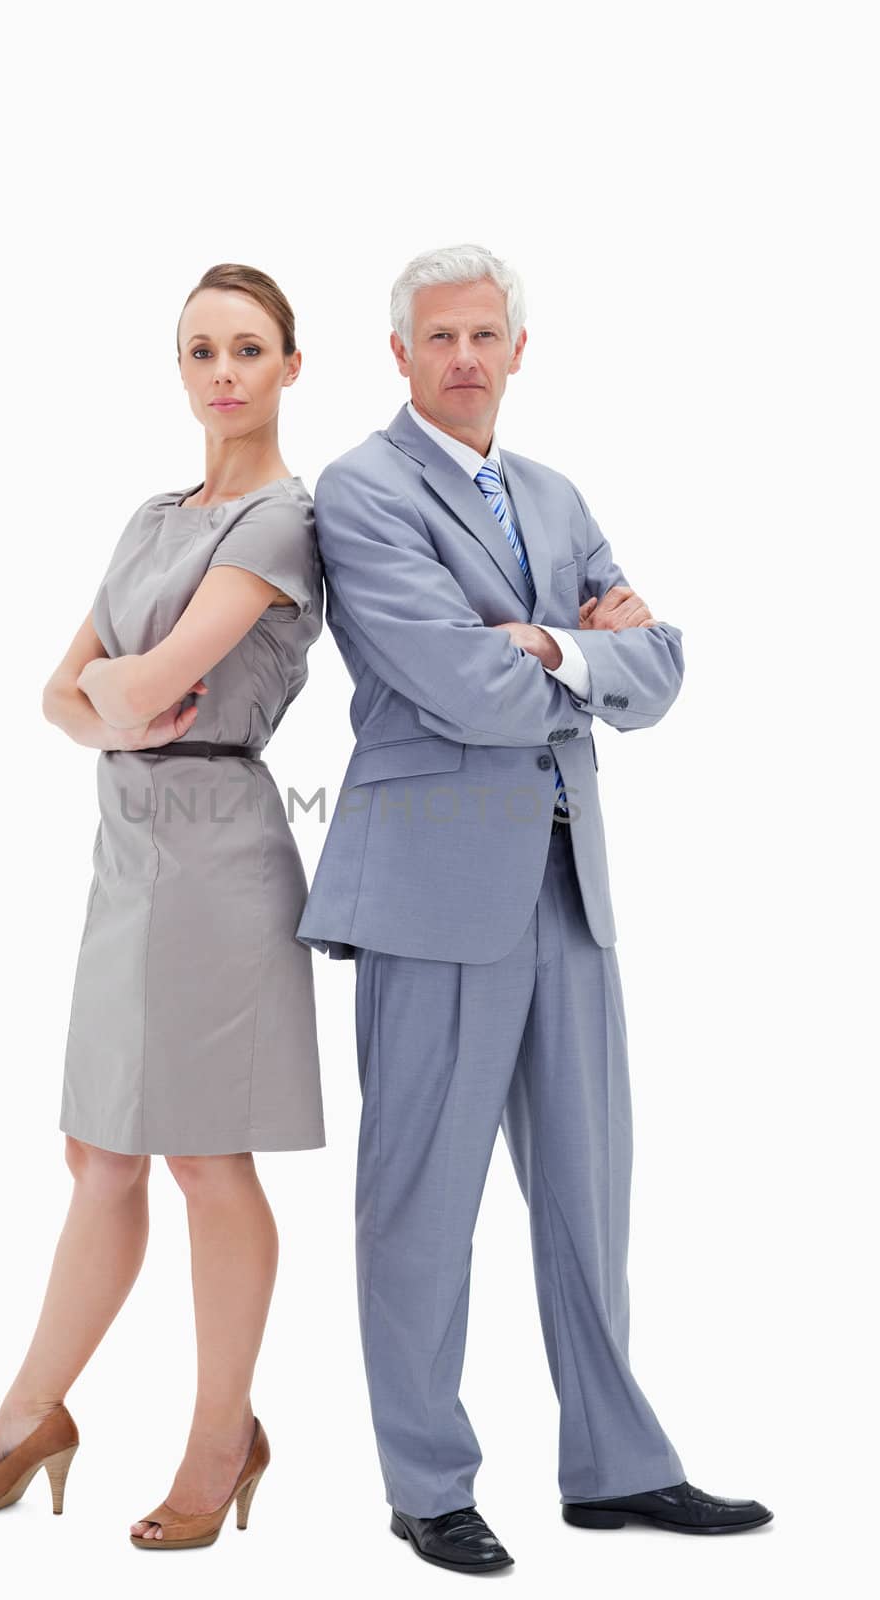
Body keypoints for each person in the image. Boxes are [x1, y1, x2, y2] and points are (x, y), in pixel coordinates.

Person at [295, 243, 771, 1573]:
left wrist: (555, 643)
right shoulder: (362, 489)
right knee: (419, 1209)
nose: (462, 356)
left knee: (588, 1197)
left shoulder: (554, 495)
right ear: (399, 354)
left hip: (569, 886)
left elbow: (666, 667)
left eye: (483, 335)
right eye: (437, 336)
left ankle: (619, 1468)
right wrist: (583, 652)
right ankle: (426, 1483)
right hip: (435, 889)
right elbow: (459, 688)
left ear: (518, 349)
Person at [0, 263, 325, 1552]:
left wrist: (111, 696)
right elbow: (59, 693)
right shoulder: (154, 515)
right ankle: (27, 1416)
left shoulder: (280, 519)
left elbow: (146, 675)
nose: (224, 373)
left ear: (289, 367)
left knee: (210, 1157)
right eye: (202, 351)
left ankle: (225, 1438)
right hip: (125, 850)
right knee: (98, 1154)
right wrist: (104, 701)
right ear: (181, 371)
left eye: (248, 350)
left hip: (218, 853)